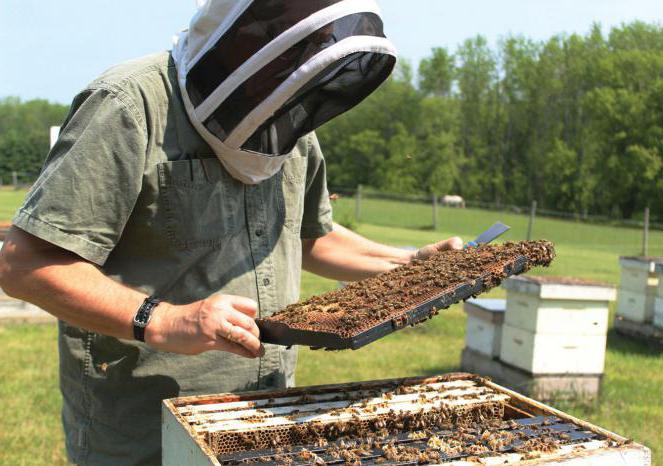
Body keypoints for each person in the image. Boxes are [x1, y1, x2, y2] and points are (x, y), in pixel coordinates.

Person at [0, 1, 463, 464]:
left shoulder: (289, 120)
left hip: (265, 409)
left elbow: (308, 237)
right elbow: (24, 264)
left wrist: (408, 266)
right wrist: (164, 320)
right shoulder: (127, 105)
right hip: (141, 424)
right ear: (242, 41)